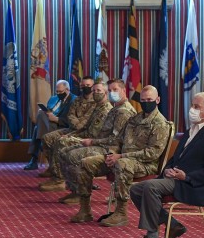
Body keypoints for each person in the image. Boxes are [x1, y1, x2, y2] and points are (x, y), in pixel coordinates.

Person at [128, 92, 204, 238]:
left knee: (150, 187)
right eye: (192, 106)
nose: (192, 110)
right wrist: (168, 170)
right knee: (135, 189)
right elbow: (176, 158)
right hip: (177, 179)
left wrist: (186, 176)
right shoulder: (191, 130)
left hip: (195, 185)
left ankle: (151, 237)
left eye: (197, 107)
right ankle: (172, 225)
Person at [68, 85, 169, 227]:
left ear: (157, 100)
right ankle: (85, 209)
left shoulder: (160, 123)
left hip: (145, 164)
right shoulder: (134, 119)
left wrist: (121, 157)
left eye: (150, 100)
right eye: (143, 100)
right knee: (86, 163)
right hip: (121, 157)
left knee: (122, 164)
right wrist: (112, 155)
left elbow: (152, 153)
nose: (146, 103)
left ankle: (121, 213)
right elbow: (118, 140)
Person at [58, 79, 136, 204]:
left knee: (73, 155)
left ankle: (82, 196)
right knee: (65, 151)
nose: (112, 93)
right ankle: (76, 191)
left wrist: (92, 142)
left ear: (123, 90)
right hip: (103, 144)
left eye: (115, 90)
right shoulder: (116, 108)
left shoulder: (123, 111)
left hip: (112, 150)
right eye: (110, 90)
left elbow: (115, 140)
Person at [38, 81, 113, 192]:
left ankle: (61, 180)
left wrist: (71, 136)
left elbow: (91, 132)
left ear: (106, 92)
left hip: (93, 141)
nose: (95, 93)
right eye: (94, 91)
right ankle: (55, 173)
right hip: (78, 130)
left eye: (98, 91)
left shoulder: (105, 109)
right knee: (50, 138)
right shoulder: (92, 105)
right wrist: (69, 135)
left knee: (61, 143)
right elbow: (72, 117)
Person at [37, 76, 96, 178]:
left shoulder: (96, 101)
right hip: (71, 129)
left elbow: (87, 122)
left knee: (60, 141)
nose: (85, 87)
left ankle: (60, 176)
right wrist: (76, 124)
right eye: (83, 85)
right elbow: (70, 116)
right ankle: (52, 168)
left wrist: (77, 124)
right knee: (47, 137)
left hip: (86, 132)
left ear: (93, 86)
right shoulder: (77, 100)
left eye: (88, 85)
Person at [24, 80, 75, 170]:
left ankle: (34, 158)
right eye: (57, 91)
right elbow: (47, 112)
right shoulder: (53, 98)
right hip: (49, 125)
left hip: (61, 126)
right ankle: (43, 143)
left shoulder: (74, 100)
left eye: (60, 92)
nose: (58, 93)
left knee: (37, 128)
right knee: (41, 114)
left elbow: (71, 120)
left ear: (67, 90)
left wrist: (56, 119)